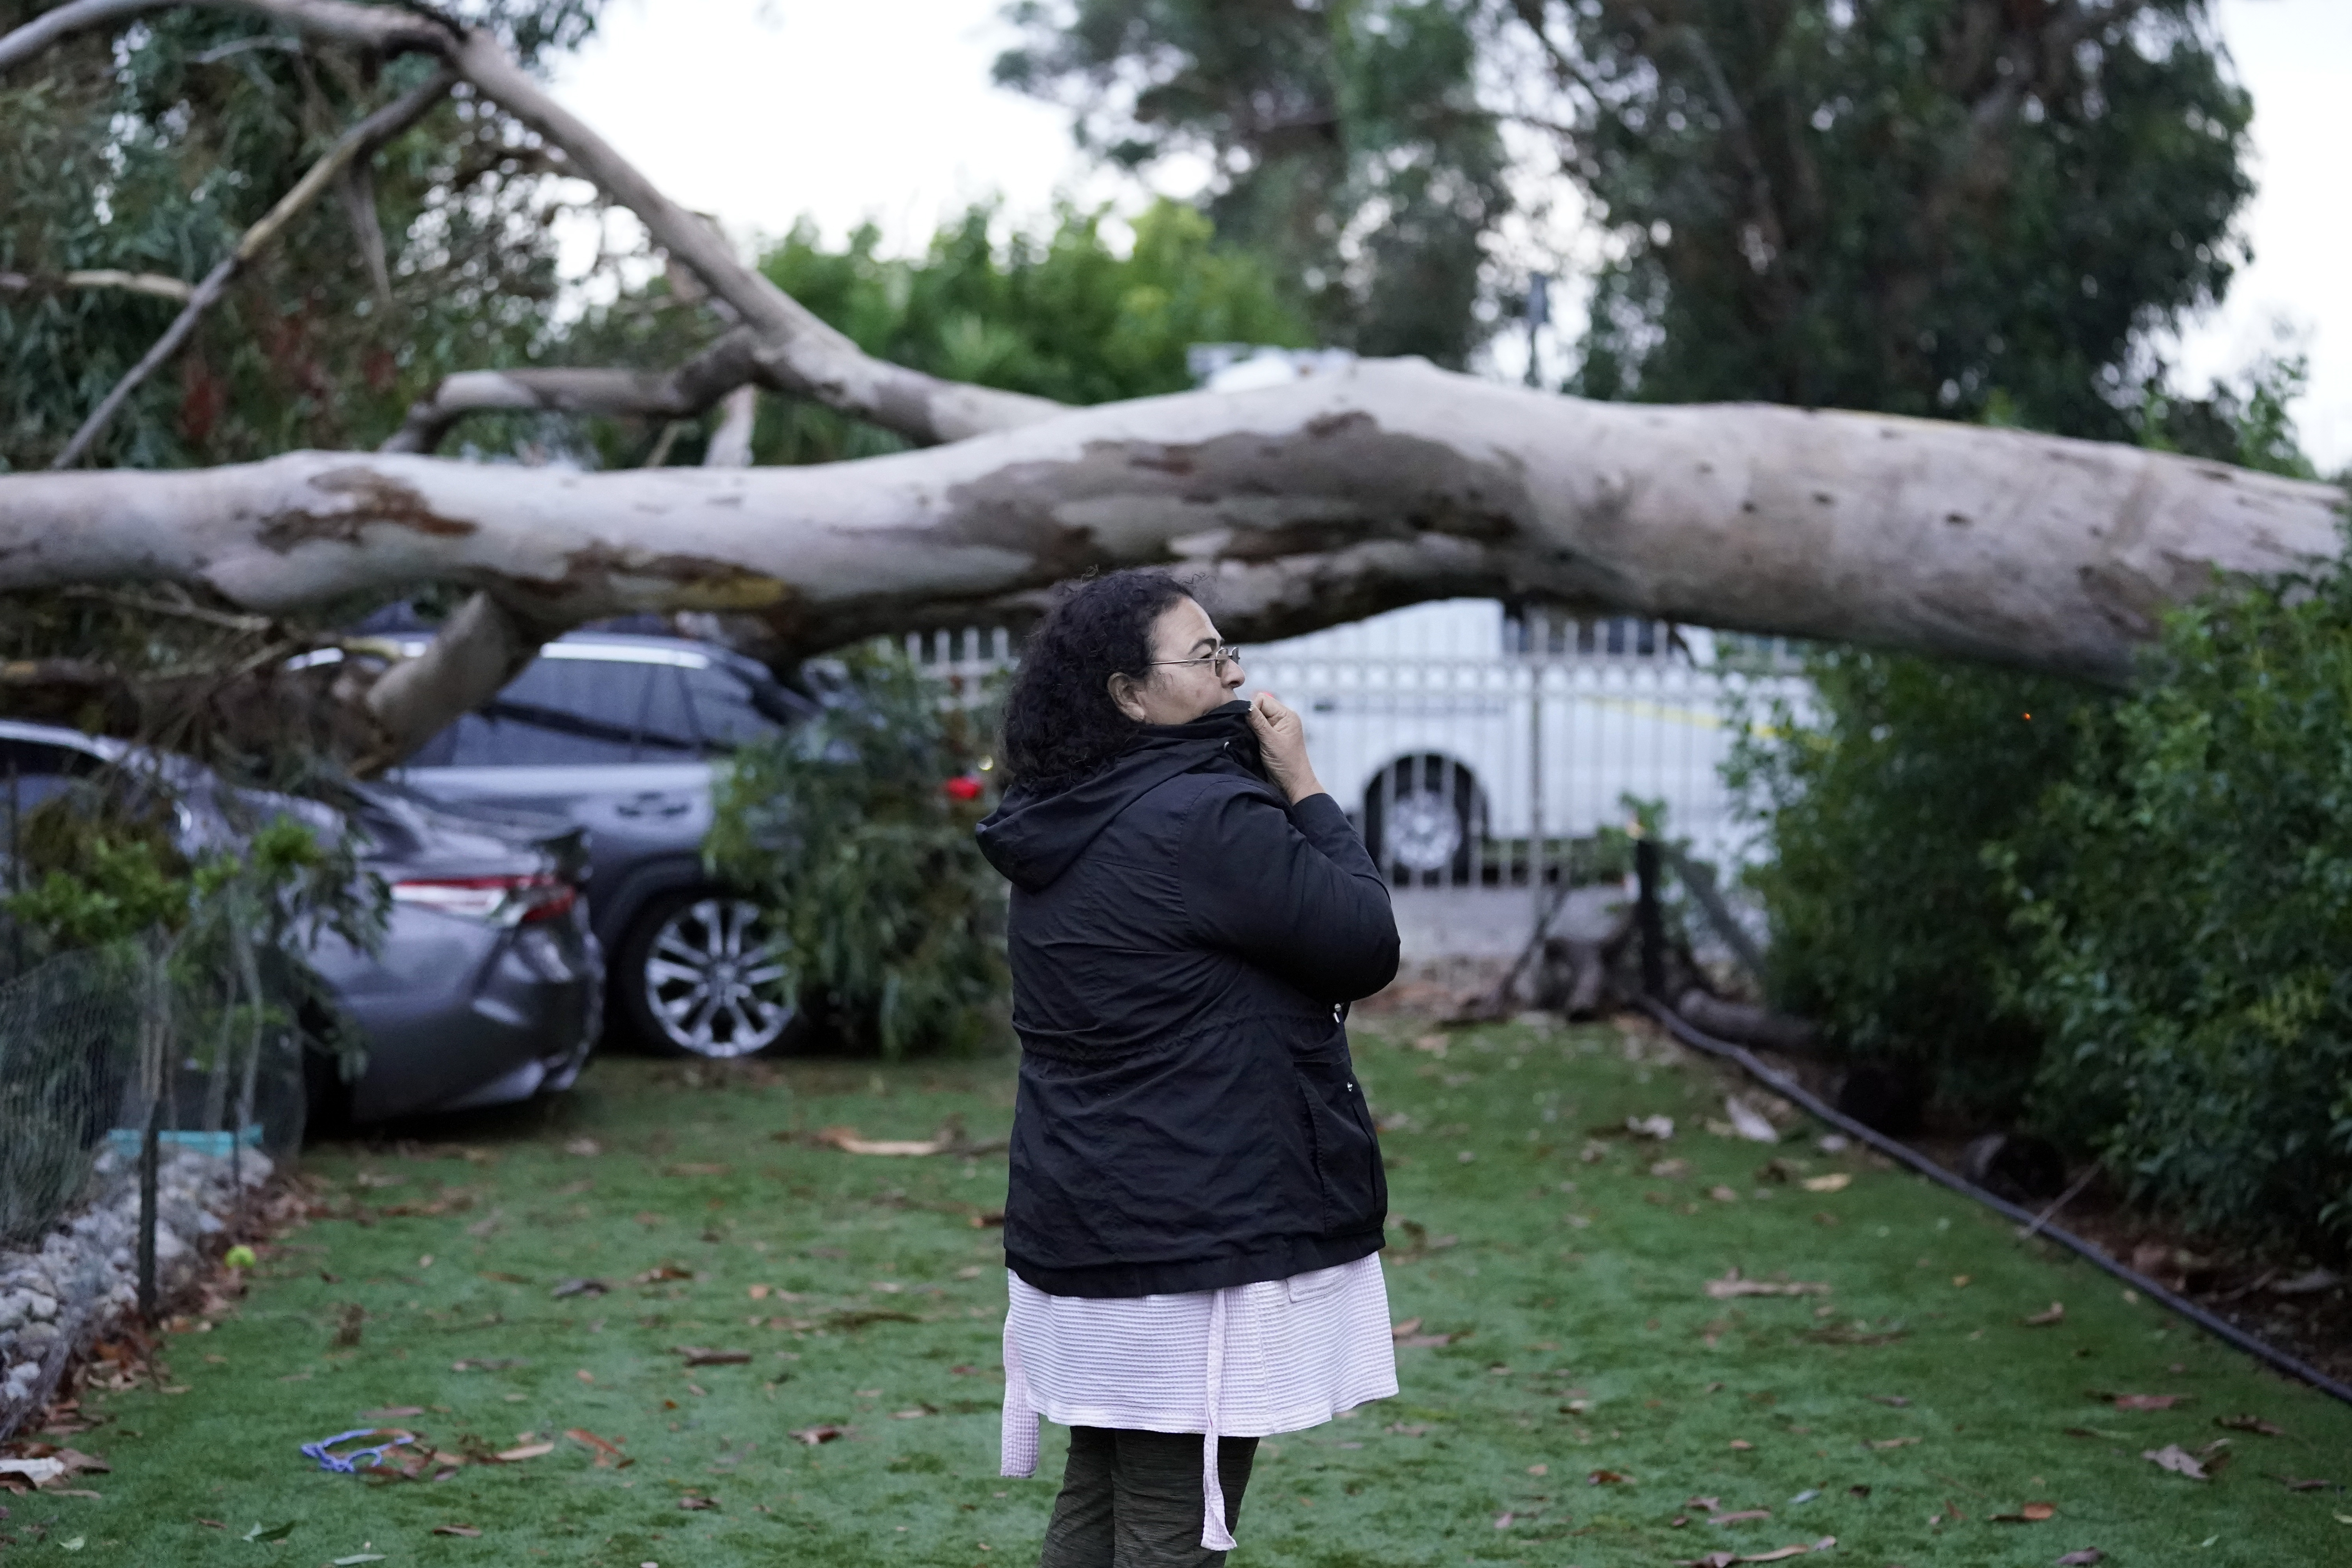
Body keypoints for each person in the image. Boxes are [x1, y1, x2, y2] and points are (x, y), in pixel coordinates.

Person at [976, 569, 1402, 1567]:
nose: (1235, 673)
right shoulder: (1201, 816)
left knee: (1104, 1483)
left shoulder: (1061, 813)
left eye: (1229, 650)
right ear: (1130, 694)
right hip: (1192, 1236)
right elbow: (1364, 940)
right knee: (1173, 1522)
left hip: (1086, 1218)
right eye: (1207, 657)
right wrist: (1304, 782)